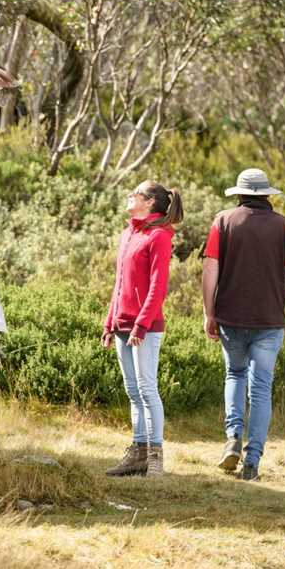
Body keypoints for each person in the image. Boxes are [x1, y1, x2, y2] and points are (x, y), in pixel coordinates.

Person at [202, 168, 285, 481]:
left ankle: (232, 439)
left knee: (234, 374)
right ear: (266, 195)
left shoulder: (223, 221)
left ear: (241, 194)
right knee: (261, 388)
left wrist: (209, 312)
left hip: (230, 319)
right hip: (269, 321)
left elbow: (210, 270)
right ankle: (253, 461)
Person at [102, 180, 183, 478]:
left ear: (149, 202)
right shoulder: (128, 233)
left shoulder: (159, 236)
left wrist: (141, 324)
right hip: (123, 323)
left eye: (135, 193)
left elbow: (158, 287)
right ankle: (137, 455)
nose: (129, 196)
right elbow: (120, 281)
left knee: (148, 389)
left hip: (144, 327)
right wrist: (110, 322)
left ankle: (155, 459)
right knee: (133, 391)